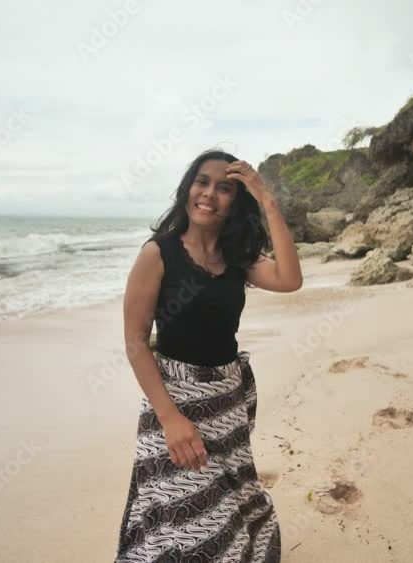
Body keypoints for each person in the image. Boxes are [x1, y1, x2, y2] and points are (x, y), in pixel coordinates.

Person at [114, 149, 302, 562]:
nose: (209, 194)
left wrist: (267, 200)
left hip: (228, 400)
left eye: (224, 188)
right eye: (202, 182)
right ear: (187, 188)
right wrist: (170, 419)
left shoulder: (237, 258)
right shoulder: (158, 253)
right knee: (180, 519)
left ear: (236, 201)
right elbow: (135, 341)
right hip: (173, 400)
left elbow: (290, 279)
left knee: (227, 505)